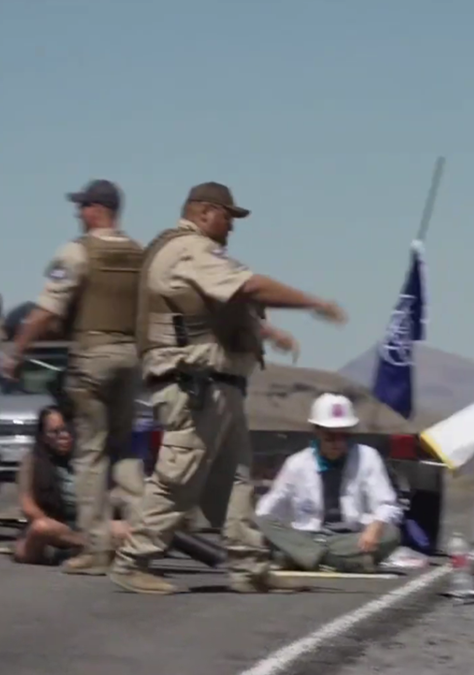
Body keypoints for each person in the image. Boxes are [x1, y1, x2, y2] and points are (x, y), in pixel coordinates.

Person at [108, 181, 347, 595]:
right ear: (204, 212)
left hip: (218, 387)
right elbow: (247, 287)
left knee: (235, 480)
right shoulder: (190, 249)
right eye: (228, 217)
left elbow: (212, 309)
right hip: (195, 386)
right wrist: (314, 303)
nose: (231, 227)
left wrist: (266, 332)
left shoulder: (187, 253)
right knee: (177, 478)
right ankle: (133, 560)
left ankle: (248, 566)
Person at [5, 179, 146, 575]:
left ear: (97, 209)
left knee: (90, 455)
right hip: (131, 360)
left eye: (82, 206)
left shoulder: (77, 251)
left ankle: (95, 550)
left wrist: (17, 351)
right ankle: (147, 534)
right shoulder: (140, 254)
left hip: (94, 359)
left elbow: (49, 307)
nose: (78, 213)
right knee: (125, 451)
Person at [254, 393, 404, 573]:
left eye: (343, 436)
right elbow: (268, 509)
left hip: (350, 539)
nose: (337, 443)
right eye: (330, 436)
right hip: (307, 536)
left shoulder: (368, 457)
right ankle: (336, 562)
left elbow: (388, 505)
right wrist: (266, 529)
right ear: (316, 432)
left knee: (391, 534)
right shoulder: (297, 463)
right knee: (262, 522)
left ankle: (305, 558)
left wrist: (376, 526)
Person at [13, 406, 132, 564]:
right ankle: (88, 547)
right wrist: (57, 531)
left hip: (90, 525)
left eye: (68, 430)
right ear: (43, 436)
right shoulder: (32, 461)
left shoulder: (93, 459)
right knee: (40, 528)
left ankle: (83, 548)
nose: (64, 436)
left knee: (125, 530)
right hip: (55, 527)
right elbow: (28, 506)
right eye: (55, 432)